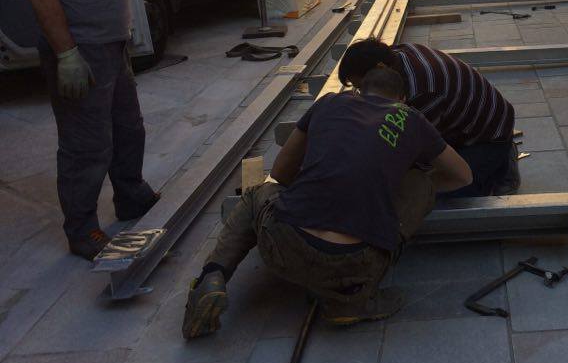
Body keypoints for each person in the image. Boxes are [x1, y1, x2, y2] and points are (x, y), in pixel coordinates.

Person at [181, 67, 471, 337]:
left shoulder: (329, 103)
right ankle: (350, 302)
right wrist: (394, 185)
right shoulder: (413, 119)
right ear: (402, 99)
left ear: (358, 90)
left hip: (284, 245)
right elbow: (463, 176)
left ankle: (213, 276)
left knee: (257, 193)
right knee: (421, 182)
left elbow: (280, 174)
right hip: (358, 263)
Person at [21, 0, 159, 260]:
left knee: (128, 129)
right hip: (83, 52)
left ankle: (131, 195)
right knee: (86, 144)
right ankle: (82, 230)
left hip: (111, 48)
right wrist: (66, 54)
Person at [338, 38, 520, 198]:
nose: (363, 94)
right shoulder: (396, 55)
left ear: (380, 68)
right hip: (463, 123)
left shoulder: (421, 90)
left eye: (361, 87)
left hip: (487, 137)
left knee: (435, 195)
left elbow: (425, 148)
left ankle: (501, 165)